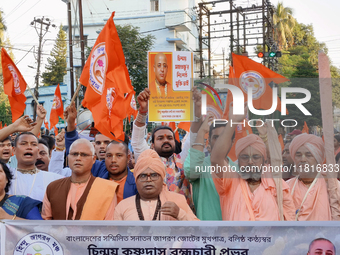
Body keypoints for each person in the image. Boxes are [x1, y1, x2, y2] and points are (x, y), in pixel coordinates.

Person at [210, 105, 295, 221]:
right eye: (244, 157)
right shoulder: (230, 182)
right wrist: (232, 122)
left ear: (264, 161)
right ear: (238, 161)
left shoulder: (275, 185)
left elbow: (289, 220)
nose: (250, 162)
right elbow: (216, 159)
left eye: (256, 157)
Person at [131, 88, 193, 209]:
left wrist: (195, 107)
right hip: (153, 218)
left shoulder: (183, 159)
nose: (166, 140)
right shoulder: (147, 159)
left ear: (174, 142)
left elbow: (193, 136)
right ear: (152, 144)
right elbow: (137, 142)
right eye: (160, 138)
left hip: (182, 219)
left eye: (169, 138)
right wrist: (142, 112)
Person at [42, 139, 118, 220]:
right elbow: (46, 223)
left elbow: (110, 227)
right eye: (74, 154)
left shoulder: (107, 189)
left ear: (93, 159)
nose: (78, 158)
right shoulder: (53, 188)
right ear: (68, 157)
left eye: (84, 155)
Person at [114, 149, 199, 221]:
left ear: (162, 179)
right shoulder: (122, 206)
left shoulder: (178, 200)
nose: (148, 179)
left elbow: (199, 231)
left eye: (154, 175)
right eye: (143, 176)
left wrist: (180, 214)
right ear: (136, 180)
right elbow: (114, 237)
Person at [0, 116, 63, 202]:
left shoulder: (52, 179)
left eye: (33, 144)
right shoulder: (5, 175)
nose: (29, 147)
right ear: (14, 150)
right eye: (24, 144)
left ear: (37, 151)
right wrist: (14, 127)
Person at [183, 87, 222, 220]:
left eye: (225, 136)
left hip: (234, 236)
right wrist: (201, 129)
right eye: (216, 137)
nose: (220, 141)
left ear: (232, 141)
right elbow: (191, 171)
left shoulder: (237, 168)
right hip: (206, 237)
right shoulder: (201, 167)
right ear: (208, 143)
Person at [287, 133, 340, 220]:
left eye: (309, 155)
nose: (303, 159)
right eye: (298, 155)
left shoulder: (333, 186)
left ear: (318, 159)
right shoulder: (286, 187)